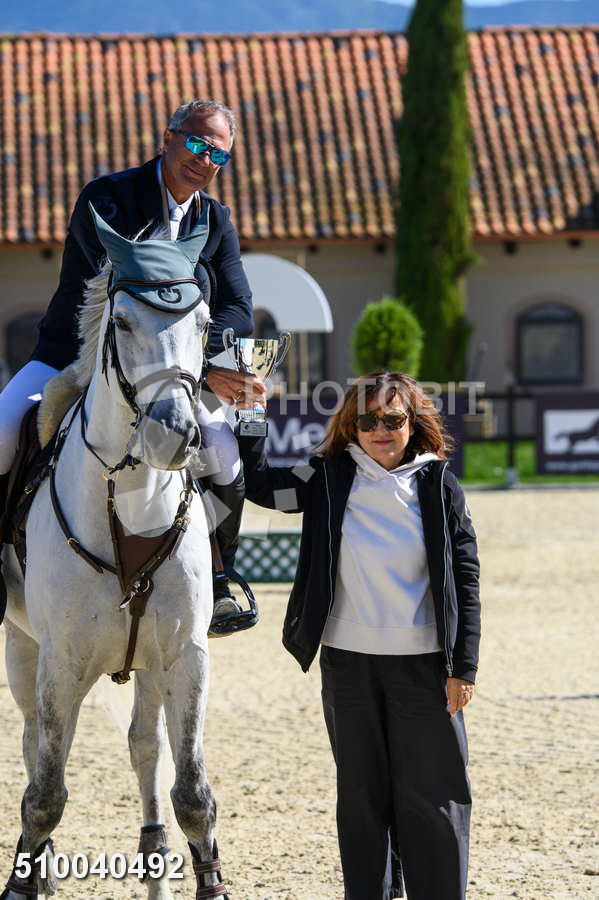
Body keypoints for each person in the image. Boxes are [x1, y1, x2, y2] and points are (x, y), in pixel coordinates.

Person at [0, 98, 265, 630]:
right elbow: (119, 296)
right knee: (4, 428)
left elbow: (239, 305)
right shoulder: (108, 199)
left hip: (173, 370)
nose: (204, 159)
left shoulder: (216, 219)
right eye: (197, 144)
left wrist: (199, 357)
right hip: (72, 355)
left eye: (218, 154)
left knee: (225, 456)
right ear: (168, 138)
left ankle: (219, 576)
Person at [238, 372, 480, 900]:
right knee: (362, 798)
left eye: (392, 419)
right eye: (368, 420)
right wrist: (251, 412)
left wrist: (463, 667)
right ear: (351, 425)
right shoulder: (326, 474)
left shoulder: (439, 482)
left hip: (424, 665)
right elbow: (260, 486)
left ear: (412, 423)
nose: (380, 430)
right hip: (348, 663)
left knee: (433, 797)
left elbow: (465, 578)